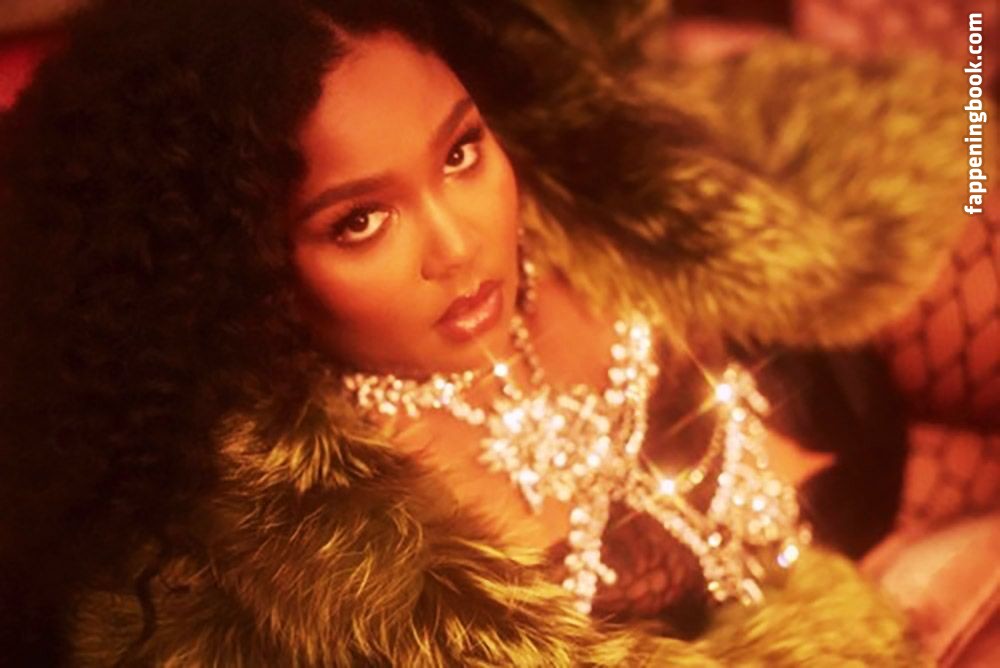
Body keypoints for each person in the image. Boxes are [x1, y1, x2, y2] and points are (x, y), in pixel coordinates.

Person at [0, 0, 982, 664]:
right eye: (360, 221)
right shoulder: (296, 570)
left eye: (461, 151)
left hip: (888, 382)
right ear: (243, 270)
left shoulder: (606, 200)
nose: (458, 244)